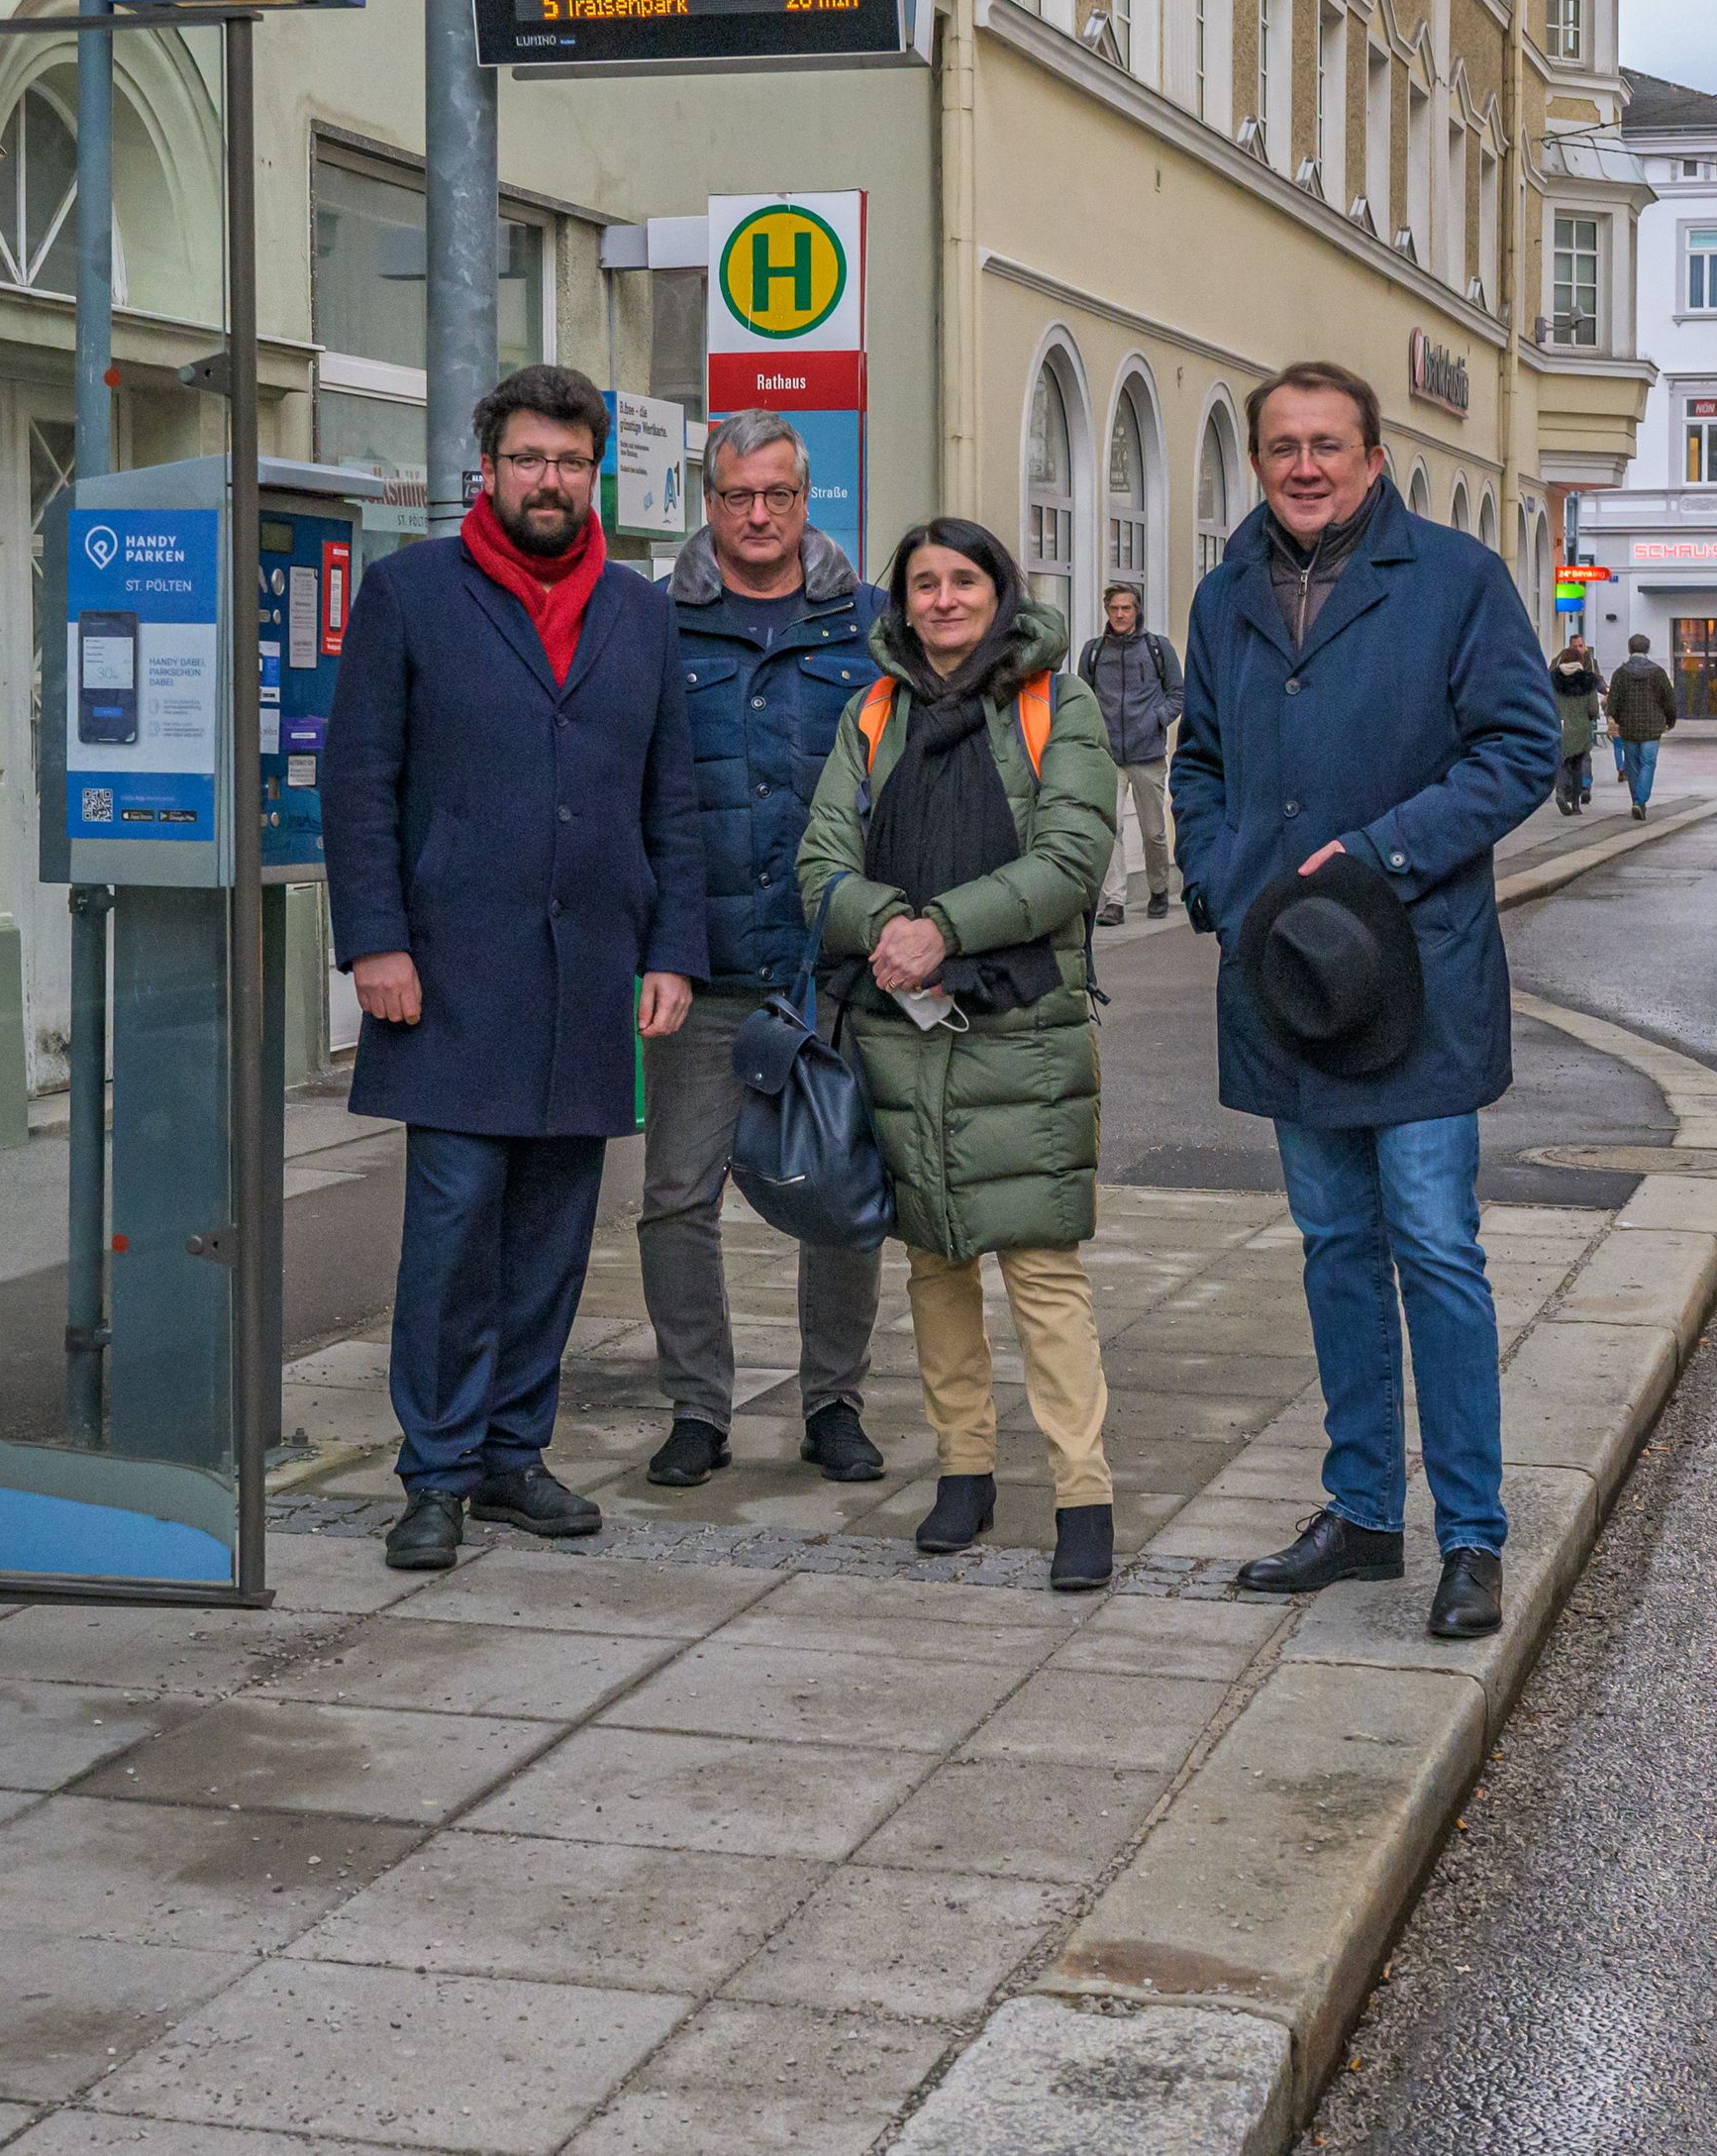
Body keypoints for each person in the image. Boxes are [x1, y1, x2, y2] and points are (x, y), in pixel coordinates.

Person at [1172, 359, 1558, 1642]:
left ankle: (1472, 1536)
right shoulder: (1226, 594)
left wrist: (1381, 857)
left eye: (1328, 442)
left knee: (1436, 1248)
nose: (1305, 464)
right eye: (1282, 443)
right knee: (1335, 1249)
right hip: (1284, 979)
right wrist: (1220, 880)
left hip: (1415, 975)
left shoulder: (1455, 579)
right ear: (1258, 459)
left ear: (1373, 456)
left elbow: (1520, 749)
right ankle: (1362, 1515)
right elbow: (1202, 761)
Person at [323, 364, 704, 1574]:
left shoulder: (640, 612)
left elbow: (671, 800)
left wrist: (671, 949)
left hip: (589, 971)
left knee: (553, 1228)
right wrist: (374, 939)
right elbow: (357, 783)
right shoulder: (410, 594)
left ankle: (511, 1456)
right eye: (530, 459)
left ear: (597, 474)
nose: (551, 481)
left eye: (572, 462)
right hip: (448, 972)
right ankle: (432, 1470)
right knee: (451, 1226)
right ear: (487, 468)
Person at [798, 516, 1122, 1591]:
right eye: (923, 583)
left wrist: (941, 927)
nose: (942, 600)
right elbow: (818, 862)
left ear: (999, 590)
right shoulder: (873, 709)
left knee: (1039, 1263)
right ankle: (964, 1472)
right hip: (901, 1022)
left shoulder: (1055, 703)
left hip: (1020, 1022)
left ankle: (1083, 1494)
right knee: (934, 1257)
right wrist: (890, 923)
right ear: (901, 602)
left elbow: (1071, 859)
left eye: (962, 580)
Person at [635, 411, 889, 1491]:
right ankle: (697, 1406)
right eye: (736, 495)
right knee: (677, 1198)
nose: (756, 515)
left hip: (833, 966)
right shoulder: (655, 625)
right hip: (704, 965)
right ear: (708, 499)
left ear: (805, 497)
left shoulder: (868, 621)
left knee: (839, 1191)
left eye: (777, 495)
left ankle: (833, 1401)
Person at [1077, 580, 1183, 925]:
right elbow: (1083, 698)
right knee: (1112, 831)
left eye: (1126, 608)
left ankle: (1158, 890)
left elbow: (1178, 693)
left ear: (1137, 610)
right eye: (1114, 608)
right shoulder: (1094, 652)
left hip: (1147, 753)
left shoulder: (1157, 648)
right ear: (1106, 611)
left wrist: (1158, 719)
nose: (1120, 614)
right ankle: (1115, 902)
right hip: (1107, 755)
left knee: (1153, 831)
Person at [1603, 632, 1678, 817]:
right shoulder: (1658, 672)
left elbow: (1612, 703)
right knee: (1648, 763)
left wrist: (1617, 718)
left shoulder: (1620, 674)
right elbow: (1669, 700)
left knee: (1632, 765)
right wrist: (1670, 721)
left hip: (1628, 727)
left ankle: (1636, 799)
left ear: (1629, 649)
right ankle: (1641, 800)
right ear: (1647, 649)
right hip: (1652, 726)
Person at [1548, 636, 1602, 814]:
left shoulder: (1553, 680)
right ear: (1580, 660)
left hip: (1559, 727)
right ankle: (1576, 804)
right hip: (1580, 728)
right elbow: (1593, 709)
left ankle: (1561, 793)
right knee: (1577, 765)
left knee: (1562, 763)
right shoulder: (1587, 680)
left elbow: (1548, 703)